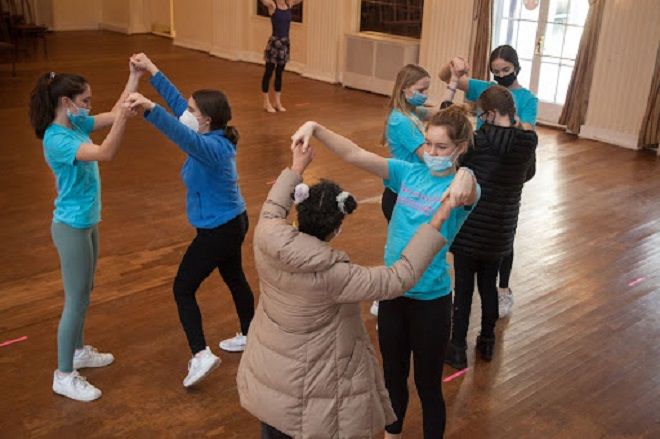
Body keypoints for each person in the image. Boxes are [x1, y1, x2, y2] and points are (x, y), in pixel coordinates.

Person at [237, 141, 452, 439]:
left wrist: (297, 166)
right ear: (337, 229)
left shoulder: (266, 234)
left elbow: (273, 207)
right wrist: (439, 218)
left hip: (270, 369)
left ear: (297, 211)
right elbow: (398, 278)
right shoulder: (335, 275)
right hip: (310, 385)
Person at [289, 106, 479, 438]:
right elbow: (355, 153)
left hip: (430, 301)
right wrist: (315, 126)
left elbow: (470, 189)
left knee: (427, 386)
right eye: (428, 144)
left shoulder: (461, 190)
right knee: (392, 378)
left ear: (460, 148)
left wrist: (468, 174)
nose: (431, 152)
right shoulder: (408, 172)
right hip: (391, 294)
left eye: (441, 147)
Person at [126, 53, 255, 388]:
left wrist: (150, 110)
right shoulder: (213, 135)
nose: (187, 113)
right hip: (231, 221)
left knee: (183, 288)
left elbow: (182, 135)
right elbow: (181, 111)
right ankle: (251, 334)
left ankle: (200, 354)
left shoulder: (210, 149)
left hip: (219, 230)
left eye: (194, 111)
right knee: (235, 278)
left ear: (208, 120)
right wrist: (153, 71)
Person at [28, 63, 141, 401]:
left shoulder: (75, 122)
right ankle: (63, 374)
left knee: (85, 290)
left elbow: (113, 112)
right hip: (71, 227)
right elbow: (105, 152)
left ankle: (77, 351)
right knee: (75, 299)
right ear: (66, 101)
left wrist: (134, 77)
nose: (90, 106)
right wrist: (124, 119)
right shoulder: (57, 138)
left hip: (88, 221)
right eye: (86, 100)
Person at [439, 44, 539, 317]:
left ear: (516, 67)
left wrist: (505, 121)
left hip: (505, 169)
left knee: (503, 236)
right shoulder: (485, 88)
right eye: (495, 71)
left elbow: (527, 132)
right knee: (478, 231)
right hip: (481, 163)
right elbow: (445, 78)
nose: (500, 75)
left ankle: (503, 289)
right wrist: (454, 66)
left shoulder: (528, 99)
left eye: (505, 70)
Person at [445, 85, 538, 370]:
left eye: (482, 114)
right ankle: (487, 342)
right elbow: (529, 174)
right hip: (502, 229)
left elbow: (458, 168)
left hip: (470, 227)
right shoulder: (527, 141)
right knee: (488, 287)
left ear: (492, 113)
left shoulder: (478, 141)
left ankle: (457, 348)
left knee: (462, 290)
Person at [372, 62, 462, 317]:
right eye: (421, 89)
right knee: (403, 251)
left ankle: (402, 295)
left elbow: (438, 115)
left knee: (414, 251)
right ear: (405, 89)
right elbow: (428, 157)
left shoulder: (411, 111)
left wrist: (453, 85)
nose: (425, 93)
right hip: (400, 195)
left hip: (411, 194)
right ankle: (387, 299)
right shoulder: (401, 121)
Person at [260, 0, 303, 113]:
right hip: (275, 43)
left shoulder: (289, 4)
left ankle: (277, 102)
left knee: (279, 73)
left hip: (285, 44)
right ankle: (266, 102)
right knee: (269, 72)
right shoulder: (272, 6)